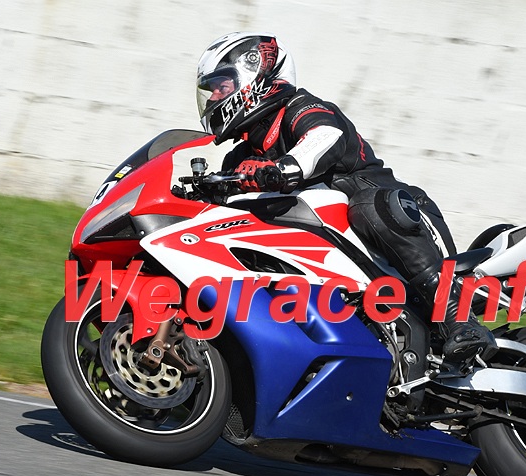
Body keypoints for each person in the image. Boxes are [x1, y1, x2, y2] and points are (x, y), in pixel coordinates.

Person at [196, 32, 497, 365]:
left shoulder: (302, 108)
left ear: (255, 76)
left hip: (401, 217)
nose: (213, 99)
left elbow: (325, 137)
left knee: (369, 207)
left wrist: (280, 169)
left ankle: (459, 319)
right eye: (211, 91)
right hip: (334, 260)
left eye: (222, 86)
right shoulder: (241, 158)